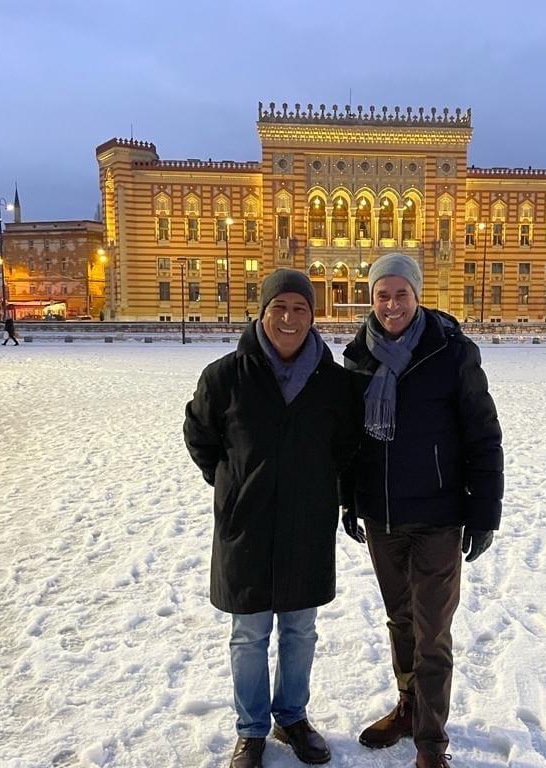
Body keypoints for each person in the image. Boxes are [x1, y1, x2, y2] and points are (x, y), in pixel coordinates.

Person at [184, 269, 360, 768]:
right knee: (250, 633)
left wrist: (321, 486)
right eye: (279, 307)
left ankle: (292, 716)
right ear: (262, 313)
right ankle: (252, 729)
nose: (289, 318)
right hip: (248, 527)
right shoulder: (225, 376)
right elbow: (199, 436)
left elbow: (346, 445)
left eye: (300, 309)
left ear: (313, 315)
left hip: (306, 524)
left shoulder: (334, 383)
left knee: (301, 631)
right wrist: (231, 484)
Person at [340, 253, 504, 768]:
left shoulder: (452, 353)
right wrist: (349, 498)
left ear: (417, 295)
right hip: (383, 516)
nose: (392, 305)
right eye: (382, 295)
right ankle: (409, 707)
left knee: (432, 630)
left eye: (401, 294)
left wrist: (484, 514)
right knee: (400, 621)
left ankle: (432, 743)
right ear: (372, 299)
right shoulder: (357, 356)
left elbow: (483, 435)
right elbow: (351, 439)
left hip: (437, 514)